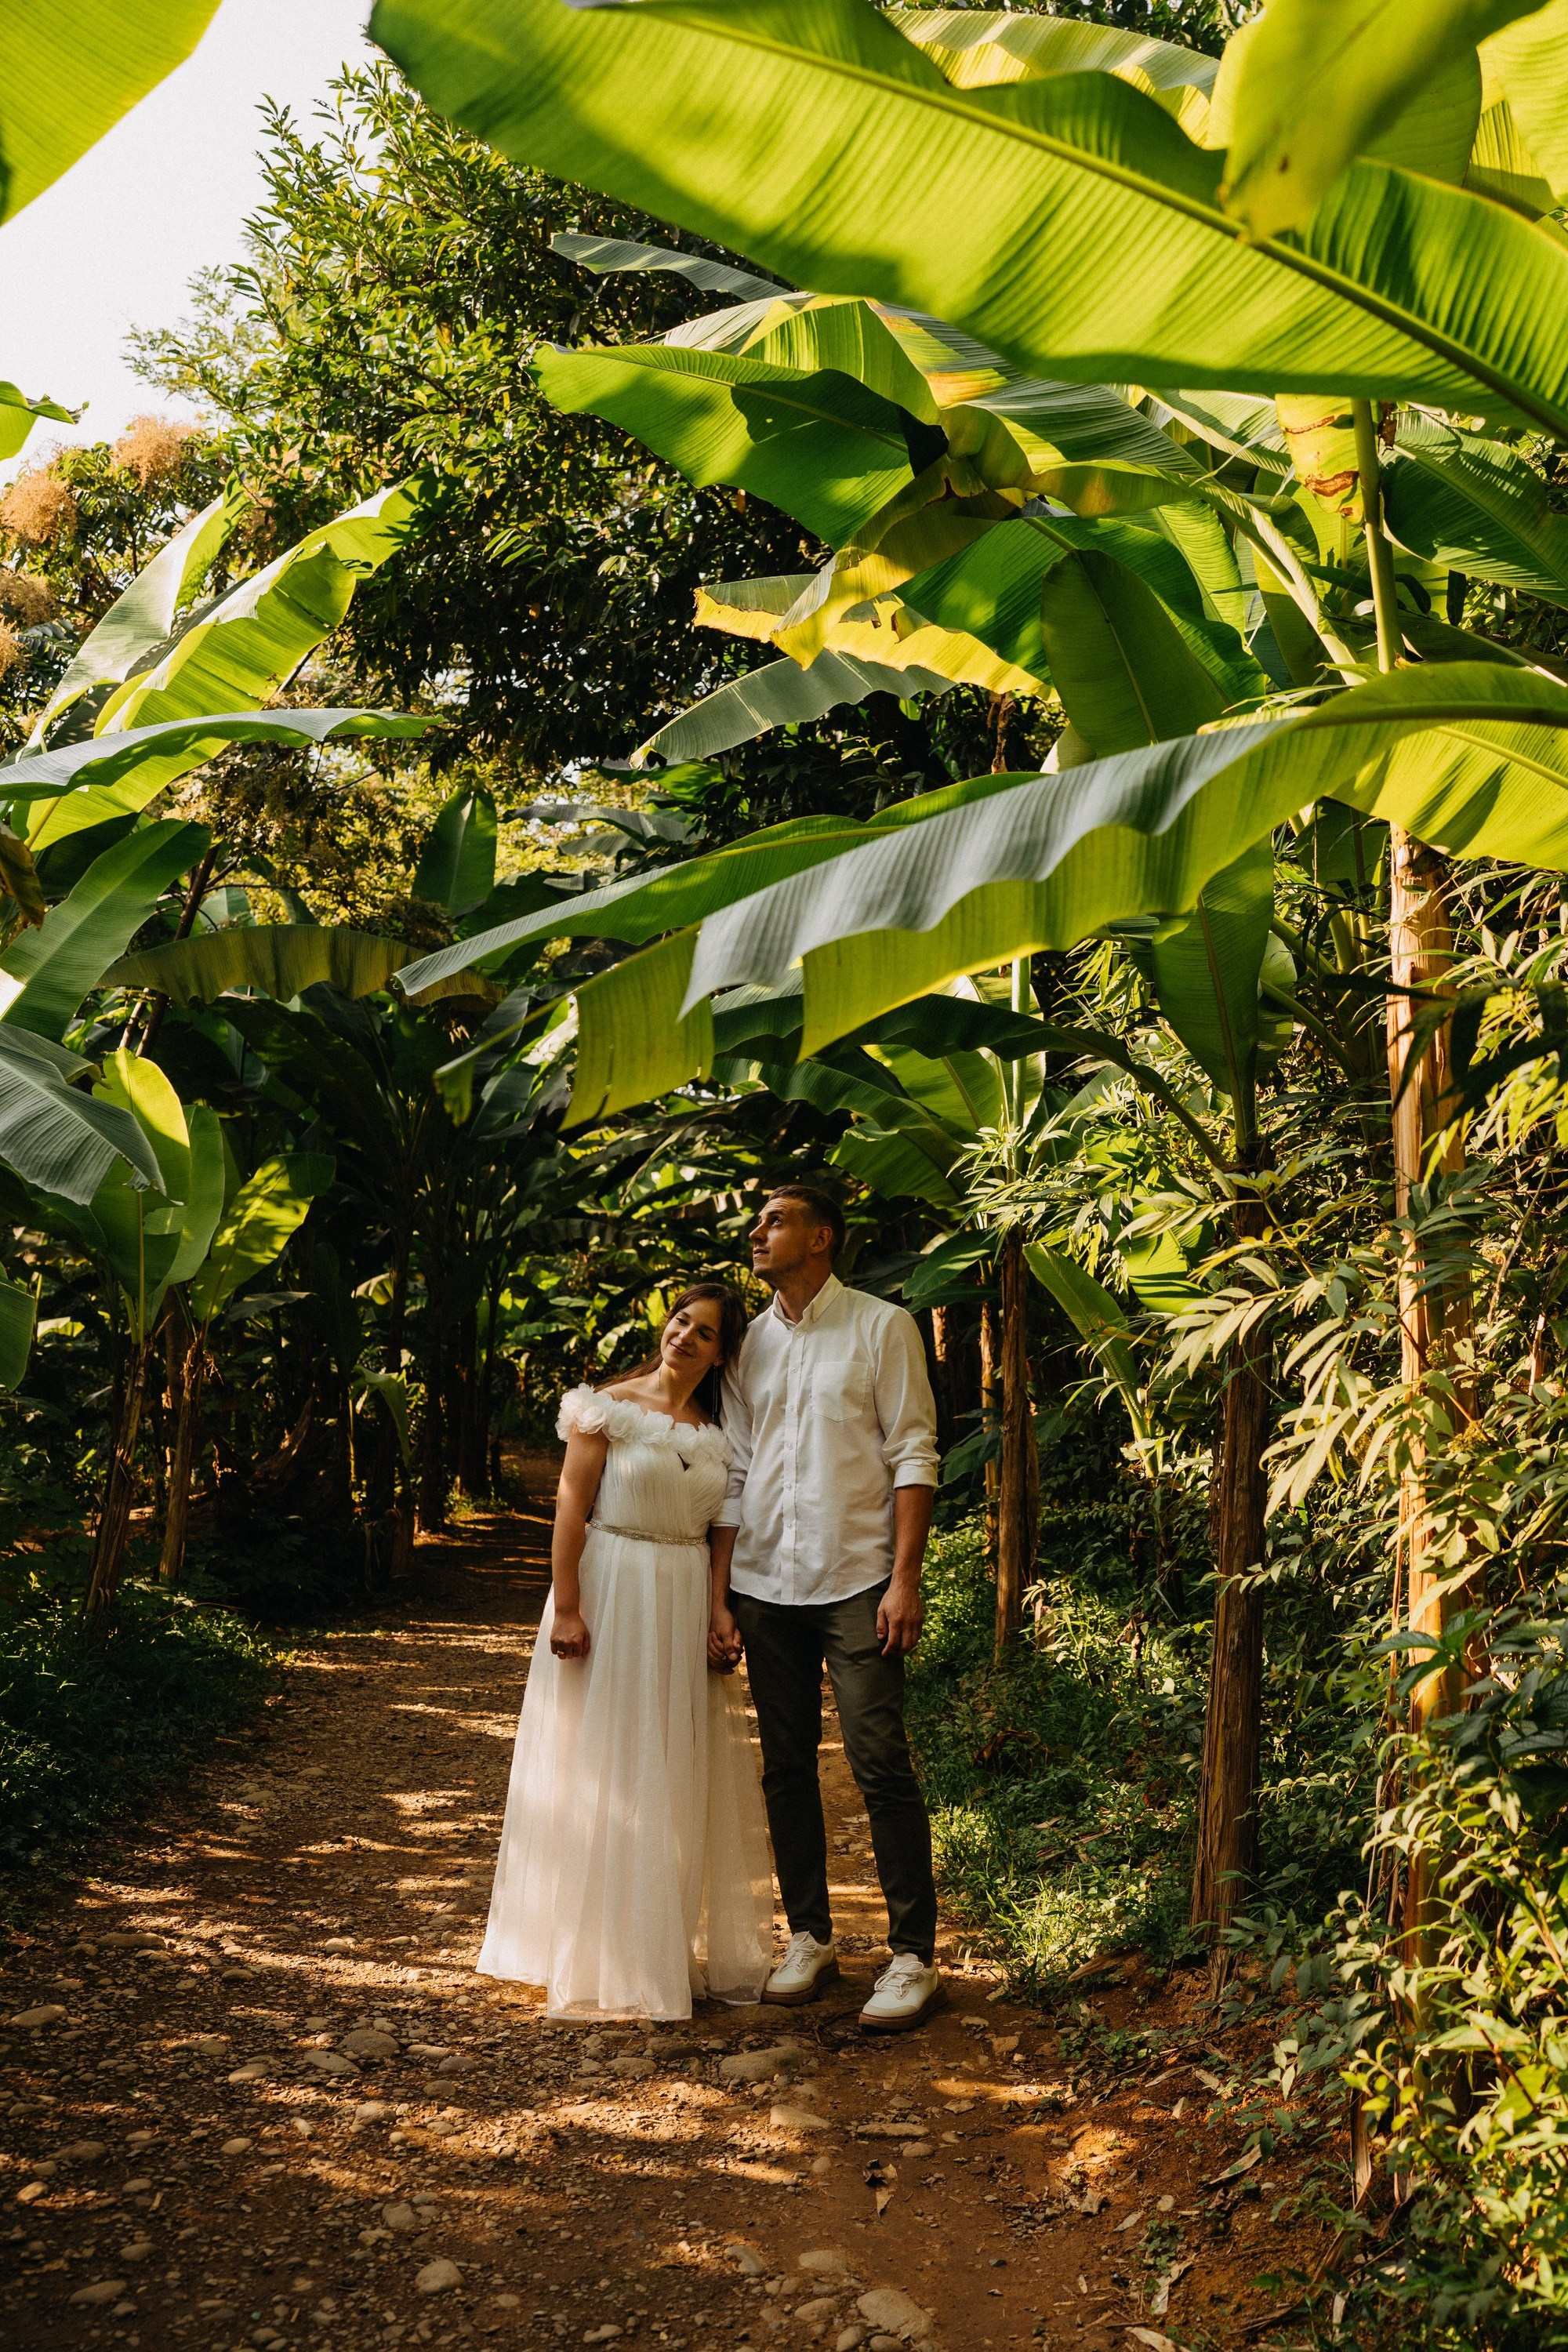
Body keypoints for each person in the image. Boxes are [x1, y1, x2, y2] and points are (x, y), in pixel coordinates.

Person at [478, 1283, 773, 2020]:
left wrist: (719, 1610)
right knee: (601, 1759)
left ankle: (654, 1946)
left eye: (705, 1333)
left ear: (721, 1354)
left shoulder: (719, 1432)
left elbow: (722, 1531)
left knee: (668, 1765)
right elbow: (570, 1509)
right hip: (611, 1588)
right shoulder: (605, 1408)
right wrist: (568, 1606)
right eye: (681, 1320)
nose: (685, 1337)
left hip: (681, 1596)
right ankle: (589, 1949)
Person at [709, 1185, 945, 2032]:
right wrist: (719, 1595)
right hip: (764, 1585)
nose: (756, 1233)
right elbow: (734, 1469)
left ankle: (913, 1954)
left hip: (857, 1580)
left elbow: (913, 1451)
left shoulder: (883, 1326)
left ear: (821, 1238)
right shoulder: (746, 1345)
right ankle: (809, 1935)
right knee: (785, 1766)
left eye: (774, 1221)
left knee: (879, 1762)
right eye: (757, 1223)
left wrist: (905, 1578)